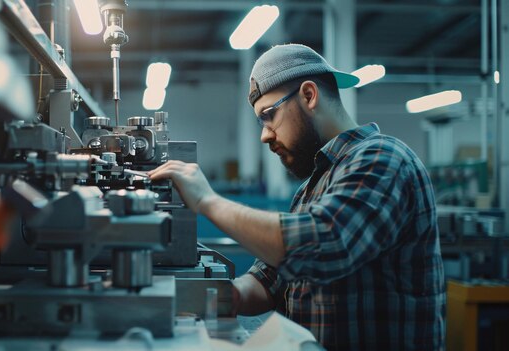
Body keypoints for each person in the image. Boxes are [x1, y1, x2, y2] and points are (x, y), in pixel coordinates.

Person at [148, 44, 445, 350]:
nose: (264, 135)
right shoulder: (309, 188)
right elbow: (268, 281)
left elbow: (325, 244)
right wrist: (218, 297)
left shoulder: (384, 158)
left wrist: (208, 201)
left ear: (308, 95)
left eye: (269, 115)